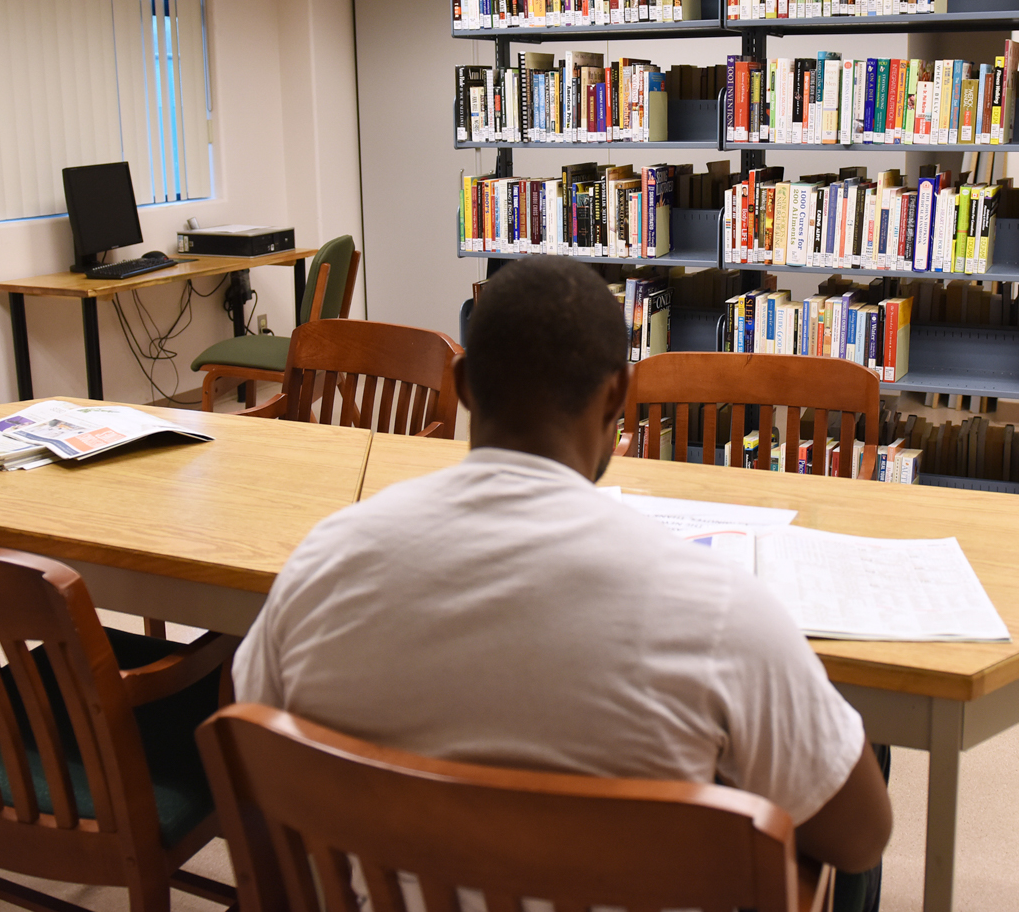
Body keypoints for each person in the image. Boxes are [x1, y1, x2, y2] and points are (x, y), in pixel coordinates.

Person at [234, 255, 893, 878]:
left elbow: (248, 733)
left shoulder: (323, 561)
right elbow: (860, 837)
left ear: (463, 388)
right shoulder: (722, 611)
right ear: (616, 399)